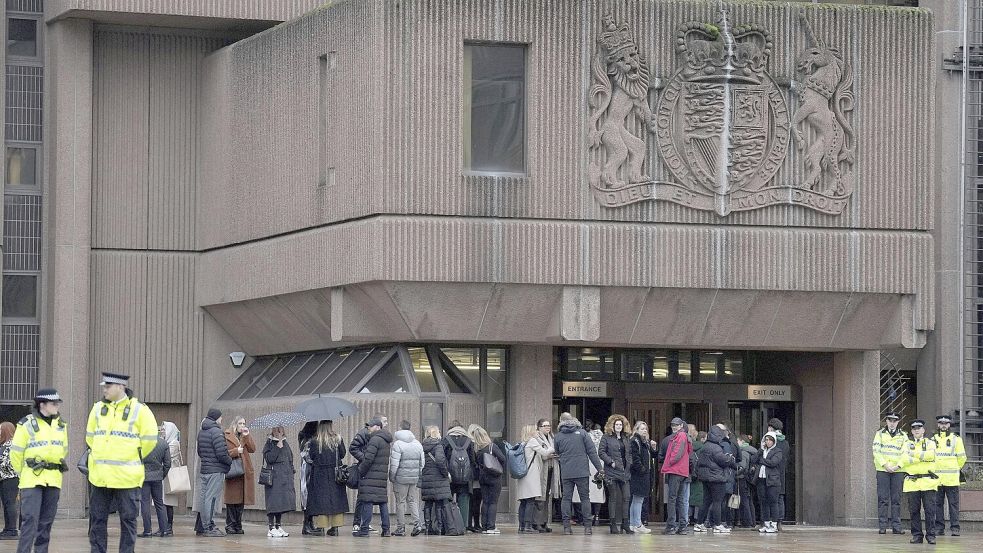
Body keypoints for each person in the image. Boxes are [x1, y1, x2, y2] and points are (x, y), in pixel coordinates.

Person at [86, 373, 158, 553]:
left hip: (127, 477)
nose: (104, 389)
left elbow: (149, 440)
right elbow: (90, 437)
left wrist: (133, 456)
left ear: (120, 387)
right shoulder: (97, 409)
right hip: (100, 476)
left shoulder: (140, 410)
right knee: (97, 521)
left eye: (108, 386)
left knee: (128, 521)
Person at [10, 389, 68, 553]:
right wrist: (23, 474)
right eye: (53, 403)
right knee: (30, 520)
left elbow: (63, 450)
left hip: (54, 478)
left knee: (46, 523)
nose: (57, 406)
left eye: (58, 403)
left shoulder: (61, 425)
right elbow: (16, 453)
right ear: (42, 404)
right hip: (32, 479)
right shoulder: (26, 424)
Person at [553, 412, 603, 535]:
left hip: (566, 471)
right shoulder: (582, 433)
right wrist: (600, 468)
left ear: (561, 421)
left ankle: (566, 527)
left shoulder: (558, 436)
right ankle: (588, 528)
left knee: (566, 499)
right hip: (582, 471)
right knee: (585, 498)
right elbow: (592, 452)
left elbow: (557, 452)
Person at [304, 420, 348, 536]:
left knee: (321, 499)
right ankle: (335, 528)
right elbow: (343, 454)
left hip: (320, 473)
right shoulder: (337, 439)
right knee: (336, 499)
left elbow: (311, 456)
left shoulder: (315, 441)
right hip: (335, 472)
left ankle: (321, 527)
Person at [195, 408, 233, 537]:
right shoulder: (217, 432)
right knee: (211, 499)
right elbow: (222, 453)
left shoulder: (201, 432)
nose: (221, 419)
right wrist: (229, 461)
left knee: (204, 498)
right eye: (220, 417)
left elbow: (200, 452)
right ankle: (209, 526)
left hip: (205, 469)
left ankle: (204, 525)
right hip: (215, 470)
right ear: (216, 418)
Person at [355, 417, 393, 537]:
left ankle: (364, 529)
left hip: (370, 475)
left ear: (377, 427)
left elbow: (368, 459)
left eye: (370, 426)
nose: (368, 429)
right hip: (381, 476)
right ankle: (386, 530)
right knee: (382, 503)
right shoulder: (386, 440)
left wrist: (360, 471)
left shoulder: (374, 440)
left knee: (367, 501)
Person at [695, 425, 736, 534]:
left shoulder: (705, 446)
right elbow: (722, 461)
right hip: (716, 478)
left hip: (706, 478)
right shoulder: (716, 448)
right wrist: (730, 458)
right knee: (718, 502)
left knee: (706, 501)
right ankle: (717, 525)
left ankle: (699, 524)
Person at [902, 419, 938, 544]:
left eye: (919, 428)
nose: (917, 430)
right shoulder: (906, 443)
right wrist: (921, 456)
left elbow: (931, 456)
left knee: (930, 511)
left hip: (928, 481)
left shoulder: (930, 443)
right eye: (914, 429)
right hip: (912, 482)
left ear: (923, 430)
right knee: (914, 511)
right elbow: (904, 459)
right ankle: (917, 535)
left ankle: (931, 535)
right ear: (911, 431)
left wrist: (913, 454)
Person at [872, 411, 907, 534]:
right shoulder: (879, 434)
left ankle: (896, 527)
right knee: (883, 498)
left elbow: (906, 453)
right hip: (883, 470)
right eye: (890, 420)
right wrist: (886, 465)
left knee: (896, 499)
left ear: (898, 422)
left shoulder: (903, 435)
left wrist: (898, 466)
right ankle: (882, 526)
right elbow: (876, 451)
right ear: (886, 421)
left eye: (895, 421)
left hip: (898, 470)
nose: (892, 423)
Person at [598, 414, 633, 534]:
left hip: (625, 472)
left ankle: (625, 523)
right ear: (612, 425)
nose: (618, 426)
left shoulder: (626, 437)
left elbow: (629, 453)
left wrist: (630, 463)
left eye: (620, 424)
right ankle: (613, 524)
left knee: (626, 497)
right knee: (613, 498)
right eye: (616, 424)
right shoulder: (606, 437)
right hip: (611, 471)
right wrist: (610, 462)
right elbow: (601, 452)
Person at [932, 414, 966, 536]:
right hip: (937, 479)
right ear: (938, 425)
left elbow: (962, 458)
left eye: (945, 423)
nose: (943, 425)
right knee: (937, 505)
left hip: (951, 479)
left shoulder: (956, 439)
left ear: (949, 425)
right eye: (941, 423)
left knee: (953, 505)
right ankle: (939, 528)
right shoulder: (932, 439)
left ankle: (955, 528)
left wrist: (955, 469)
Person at [389, 420, 424, 537]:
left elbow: (394, 464)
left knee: (401, 502)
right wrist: (418, 476)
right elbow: (422, 463)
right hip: (413, 478)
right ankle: (417, 524)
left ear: (400, 428)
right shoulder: (418, 443)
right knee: (412, 500)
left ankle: (401, 528)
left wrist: (392, 477)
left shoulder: (398, 444)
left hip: (401, 479)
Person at [223, 416, 256, 535]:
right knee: (232, 501)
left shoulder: (244, 436)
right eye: (241, 423)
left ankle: (238, 524)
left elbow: (253, 449)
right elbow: (223, 453)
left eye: (244, 423)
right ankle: (230, 525)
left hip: (244, 471)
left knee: (241, 501)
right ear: (235, 424)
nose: (243, 425)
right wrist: (237, 451)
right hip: (233, 472)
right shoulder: (227, 435)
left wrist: (247, 436)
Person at [262, 426, 296, 538]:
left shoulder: (285, 442)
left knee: (281, 503)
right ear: (273, 430)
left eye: (281, 429)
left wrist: (291, 471)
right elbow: (269, 459)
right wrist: (277, 447)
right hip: (274, 477)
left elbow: (290, 457)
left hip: (284, 477)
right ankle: (271, 527)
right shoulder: (269, 443)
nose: (279, 432)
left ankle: (278, 525)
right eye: (277, 430)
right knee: (273, 502)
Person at [442, 420, 475, 532]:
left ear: (450, 428)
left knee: (448, 500)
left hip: (450, 476)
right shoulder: (468, 440)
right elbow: (472, 460)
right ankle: (463, 526)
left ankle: (450, 526)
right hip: (465, 477)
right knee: (464, 500)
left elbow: (442, 458)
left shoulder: (446, 440)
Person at [660, 417, 691, 535]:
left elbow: (677, 453)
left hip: (676, 471)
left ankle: (671, 526)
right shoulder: (685, 436)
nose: (674, 427)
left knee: (672, 499)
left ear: (681, 426)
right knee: (681, 500)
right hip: (683, 471)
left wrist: (669, 462)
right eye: (673, 425)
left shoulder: (680, 436)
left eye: (676, 425)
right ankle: (683, 526)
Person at [472, 425, 505, 534]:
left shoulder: (477, 449)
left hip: (483, 477)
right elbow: (503, 459)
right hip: (494, 477)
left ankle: (485, 527)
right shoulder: (492, 446)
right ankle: (491, 527)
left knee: (485, 502)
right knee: (493, 502)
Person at [571, 423, 605, 528]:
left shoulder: (584, 436)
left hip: (585, 465)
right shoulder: (603, 437)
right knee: (598, 491)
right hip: (599, 465)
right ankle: (597, 517)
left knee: (583, 493)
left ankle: (584, 517)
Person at [138, 428, 171, 537]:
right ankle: (164, 529)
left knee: (145, 503)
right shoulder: (163, 443)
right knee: (159, 503)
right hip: (157, 477)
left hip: (144, 477)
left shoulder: (141, 443)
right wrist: (162, 475)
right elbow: (167, 463)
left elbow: (136, 460)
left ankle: (147, 530)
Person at [420, 426, 452, 535]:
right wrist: (445, 473)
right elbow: (440, 461)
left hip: (426, 477)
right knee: (438, 503)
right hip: (438, 477)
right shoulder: (438, 445)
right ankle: (439, 528)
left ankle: (428, 528)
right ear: (435, 433)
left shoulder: (422, 446)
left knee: (428, 503)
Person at [529, 418, 559, 532]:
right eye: (545, 426)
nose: (548, 428)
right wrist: (549, 455)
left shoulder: (552, 438)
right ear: (539, 427)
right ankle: (536, 522)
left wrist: (555, 454)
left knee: (547, 498)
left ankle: (544, 522)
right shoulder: (536, 438)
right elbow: (541, 454)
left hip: (552, 469)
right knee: (539, 498)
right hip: (541, 471)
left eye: (549, 426)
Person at [628, 421, 657, 534]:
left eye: (645, 429)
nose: (644, 431)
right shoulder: (635, 441)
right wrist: (643, 470)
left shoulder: (646, 442)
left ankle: (633, 524)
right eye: (642, 429)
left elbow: (652, 456)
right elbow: (635, 459)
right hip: (639, 475)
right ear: (636, 430)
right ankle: (637, 523)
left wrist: (654, 448)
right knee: (638, 500)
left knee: (636, 500)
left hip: (643, 474)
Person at [753, 432, 784, 534]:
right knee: (763, 502)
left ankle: (774, 524)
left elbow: (773, 463)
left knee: (773, 502)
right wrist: (760, 451)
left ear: (774, 441)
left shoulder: (777, 451)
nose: (768, 442)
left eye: (770, 440)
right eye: (766, 440)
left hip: (773, 481)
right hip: (761, 479)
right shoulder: (762, 451)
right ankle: (766, 524)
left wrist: (762, 461)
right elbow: (753, 460)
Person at [297, 421, 321, 535]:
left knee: (310, 497)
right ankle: (306, 525)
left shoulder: (305, 437)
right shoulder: (306, 439)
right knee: (307, 497)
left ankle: (310, 523)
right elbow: (307, 456)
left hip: (308, 469)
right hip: (307, 470)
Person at [765, 418, 790, 528]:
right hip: (781, 471)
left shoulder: (772, 441)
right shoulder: (785, 442)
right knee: (780, 496)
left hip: (771, 471)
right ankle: (779, 521)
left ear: (771, 428)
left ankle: (770, 520)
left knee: (771, 497)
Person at [160, 421, 183, 534]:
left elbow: (166, 457)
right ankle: (163, 526)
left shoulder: (173, 443)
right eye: (162, 429)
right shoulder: (165, 442)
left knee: (168, 503)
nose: (162, 431)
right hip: (164, 475)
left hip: (170, 475)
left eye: (164, 429)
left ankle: (168, 527)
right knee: (163, 502)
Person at [0, 421, 19, 540]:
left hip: (10, 478)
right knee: (6, 504)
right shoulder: (4, 444)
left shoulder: (11, 445)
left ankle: (12, 530)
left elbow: (7, 463)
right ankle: (7, 529)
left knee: (10, 503)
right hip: (4, 478)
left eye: (0, 429)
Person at [735, 434, 758, 528]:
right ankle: (752, 521)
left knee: (744, 501)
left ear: (742, 442)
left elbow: (742, 466)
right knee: (749, 500)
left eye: (738, 441)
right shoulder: (753, 451)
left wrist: (735, 474)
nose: (737, 443)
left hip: (742, 478)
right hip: (750, 479)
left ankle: (747, 522)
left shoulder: (743, 452)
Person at [466, 424, 484, 533]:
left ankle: (471, 524)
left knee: (472, 502)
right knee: (476, 502)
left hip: (470, 477)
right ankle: (476, 524)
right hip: (476, 478)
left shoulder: (467, 443)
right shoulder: (474, 445)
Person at [691, 430, 707, 531]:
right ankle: (698, 519)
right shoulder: (703, 448)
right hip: (700, 475)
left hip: (691, 474)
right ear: (702, 439)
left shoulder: (690, 446)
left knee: (689, 497)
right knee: (699, 498)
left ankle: (688, 517)